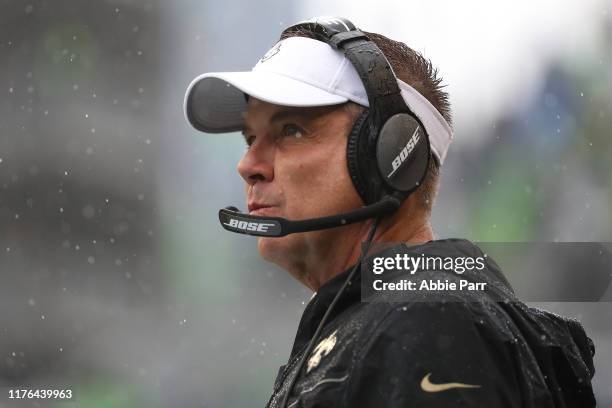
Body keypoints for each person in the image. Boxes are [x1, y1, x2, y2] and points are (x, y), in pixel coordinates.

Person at [184, 17, 596, 408]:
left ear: (389, 155)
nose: (248, 164)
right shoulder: (395, 316)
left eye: (291, 130)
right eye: (251, 137)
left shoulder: (428, 321)